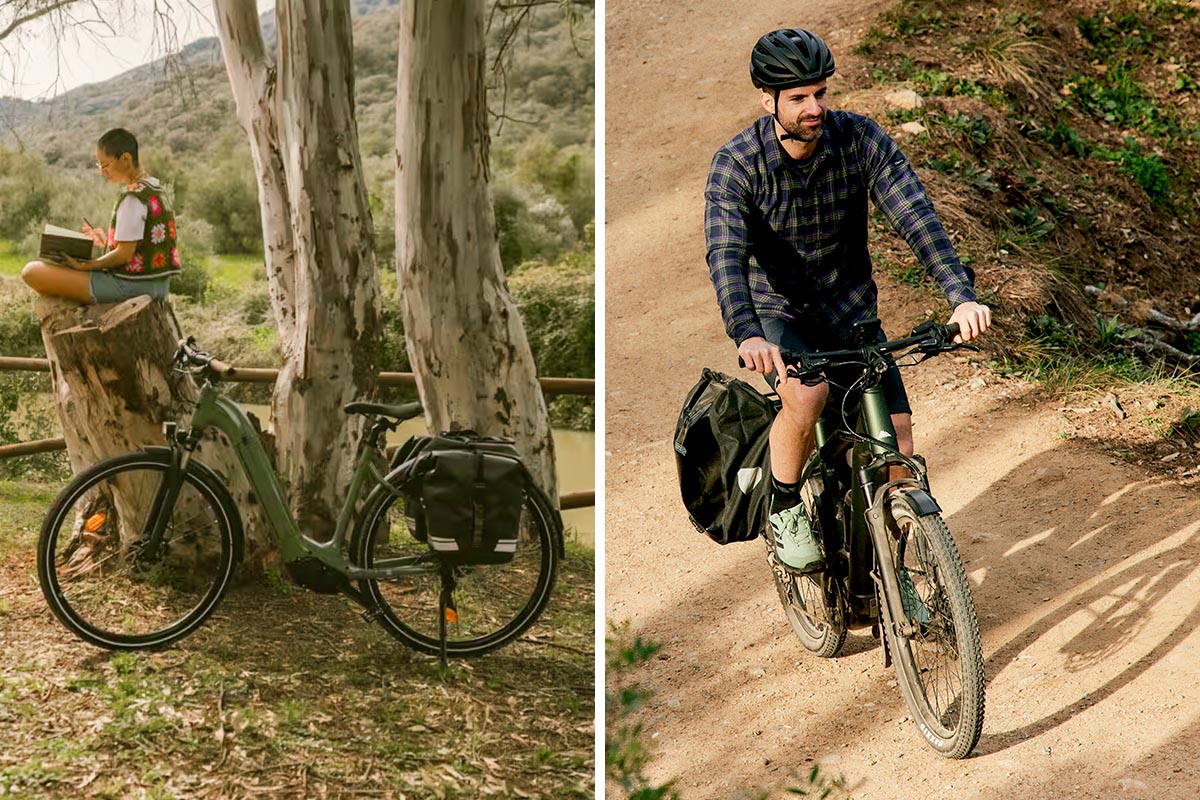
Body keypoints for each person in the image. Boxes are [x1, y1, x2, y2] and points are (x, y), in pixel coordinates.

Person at [704, 28, 991, 573]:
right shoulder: (737, 165)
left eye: (820, 93)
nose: (815, 108)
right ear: (768, 100)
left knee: (899, 445)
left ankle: (896, 567)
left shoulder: (860, 139)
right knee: (806, 398)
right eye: (798, 99)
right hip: (778, 315)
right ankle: (784, 504)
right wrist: (747, 331)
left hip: (851, 311)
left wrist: (960, 296)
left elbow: (916, 218)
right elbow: (726, 257)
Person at [21, 128, 181, 304]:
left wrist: (88, 265)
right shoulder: (156, 190)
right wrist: (107, 242)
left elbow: (124, 256)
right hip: (158, 287)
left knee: (31, 271)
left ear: (126, 159)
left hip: (131, 287)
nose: (102, 172)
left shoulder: (133, 197)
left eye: (105, 165)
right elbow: (139, 246)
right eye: (99, 166)